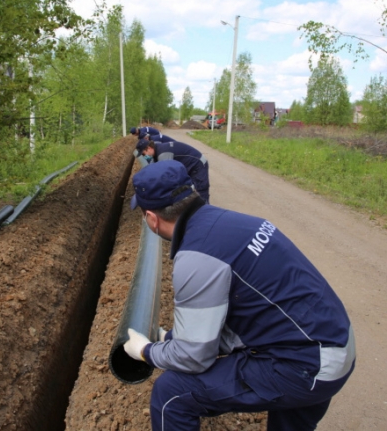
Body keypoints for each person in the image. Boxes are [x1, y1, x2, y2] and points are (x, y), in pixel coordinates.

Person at [124, 160, 355, 431]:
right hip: (335, 343)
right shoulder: (237, 223)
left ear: (152, 218)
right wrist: (172, 338)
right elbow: (248, 311)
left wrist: (145, 351)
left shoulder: (197, 257)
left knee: (171, 393)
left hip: (308, 366)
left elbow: (193, 358)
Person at [136, 139, 209, 203]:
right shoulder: (157, 149)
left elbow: (167, 176)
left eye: (143, 154)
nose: (144, 156)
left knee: (200, 191)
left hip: (197, 164)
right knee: (190, 191)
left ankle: (205, 213)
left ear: (148, 148)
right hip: (188, 165)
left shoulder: (163, 155)